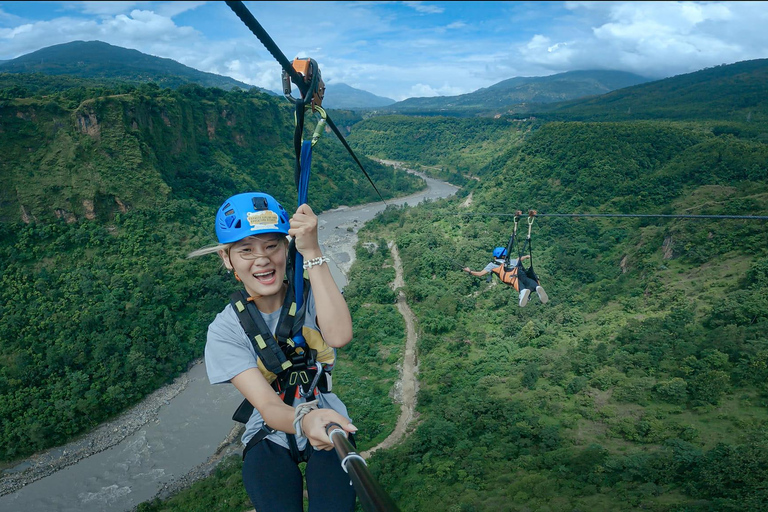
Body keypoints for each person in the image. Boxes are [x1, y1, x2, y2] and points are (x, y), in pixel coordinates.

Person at [190, 192, 357, 512]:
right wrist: (306, 421)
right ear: (227, 258)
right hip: (269, 432)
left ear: (286, 248)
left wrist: (312, 251)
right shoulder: (226, 330)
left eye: (272, 246)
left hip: (330, 420)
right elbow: (267, 406)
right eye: (246, 250)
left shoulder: (313, 296)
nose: (262, 258)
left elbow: (339, 335)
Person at [463, 247, 548, 307]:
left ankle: (522, 291)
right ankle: (537, 287)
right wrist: (526, 256)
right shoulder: (510, 261)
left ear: (495, 257)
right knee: (525, 279)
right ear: (504, 256)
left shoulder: (493, 264)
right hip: (519, 272)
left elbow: (480, 274)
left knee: (516, 282)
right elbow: (518, 259)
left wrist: (469, 271)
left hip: (510, 276)